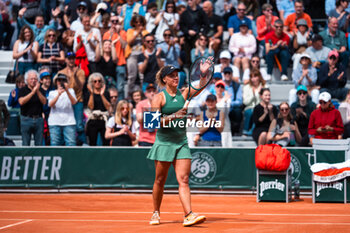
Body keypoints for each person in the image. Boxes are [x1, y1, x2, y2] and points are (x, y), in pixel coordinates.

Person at [147, 62, 211, 226]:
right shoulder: (158, 98)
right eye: (172, 75)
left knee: (183, 179)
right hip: (164, 144)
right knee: (160, 181)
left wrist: (203, 73)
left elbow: (202, 86)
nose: (176, 77)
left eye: (177, 75)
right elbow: (151, 124)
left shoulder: (184, 94)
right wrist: (175, 115)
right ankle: (156, 212)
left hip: (181, 143)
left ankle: (188, 214)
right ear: (164, 79)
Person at [58, 51, 87, 145]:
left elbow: (81, 86)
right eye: (69, 58)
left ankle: (83, 144)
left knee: (79, 125)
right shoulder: (61, 72)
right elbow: (57, 85)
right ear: (66, 59)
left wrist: (75, 76)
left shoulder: (80, 71)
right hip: (65, 102)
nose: (71, 60)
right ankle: (63, 144)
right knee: (64, 123)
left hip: (78, 101)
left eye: (73, 58)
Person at [18, 70, 47, 146]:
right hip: (26, 119)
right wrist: (32, 92)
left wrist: (37, 91)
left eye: (35, 79)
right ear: (26, 80)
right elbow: (21, 102)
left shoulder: (41, 90)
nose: (33, 80)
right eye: (31, 79)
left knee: (39, 144)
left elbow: (44, 102)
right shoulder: (22, 90)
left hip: (38, 119)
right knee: (25, 143)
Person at [47, 73, 77, 146]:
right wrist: (58, 94)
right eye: (59, 80)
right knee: (55, 144)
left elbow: (74, 102)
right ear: (56, 82)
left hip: (69, 122)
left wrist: (67, 91)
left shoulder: (71, 91)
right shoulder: (52, 92)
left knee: (71, 143)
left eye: (63, 80)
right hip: (54, 122)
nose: (61, 82)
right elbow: (50, 104)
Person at [103, 14, 127, 100]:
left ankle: (120, 107)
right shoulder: (106, 34)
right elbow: (104, 47)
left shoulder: (123, 33)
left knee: (120, 88)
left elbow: (124, 45)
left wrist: (118, 33)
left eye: (116, 21)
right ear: (110, 22)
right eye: (113, 21)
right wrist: (111, 34)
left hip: (120, 63)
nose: (114, 23)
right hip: (109, 64)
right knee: (109, 88)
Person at [179, 0, 208, 66]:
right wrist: (188, 31)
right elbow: (182, 26)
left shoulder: (201, 12)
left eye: (191, 0)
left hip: (198, 37)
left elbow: (206, 24)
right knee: (188, 57)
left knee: (198, 56)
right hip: (188, 38)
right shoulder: (185, 13)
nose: (189, 2)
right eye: (188, 0)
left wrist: (201, 33)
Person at [125, 15, 148, 97]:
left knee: (142, 76)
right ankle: (129, 95)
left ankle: (143, 95)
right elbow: (129, 42)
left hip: (142, 55)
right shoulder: (130, 31)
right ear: (133, 23)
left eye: (140, 22)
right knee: (132, 76)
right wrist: (137, 32)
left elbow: (146, 43)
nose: (138, 24)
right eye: (136, 22)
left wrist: (141, 33)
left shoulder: (145, 32)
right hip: (132, 55)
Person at [85, 72, 111, 146]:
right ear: (92, 83)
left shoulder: (106, 93)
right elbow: (91, 107)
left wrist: (102, 95)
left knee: (106, 142)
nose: (97, 83)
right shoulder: (88, 94)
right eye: (95, 81)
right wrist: (92, 93)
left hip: (103, 119)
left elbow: (108, 107)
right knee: (92, 142)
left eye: (99, 81)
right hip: (93, 119)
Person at [243, 69, 268, 136]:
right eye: (251, 77)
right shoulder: (247, 87)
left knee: (257, 111)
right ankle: (245, 130)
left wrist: (260, 95)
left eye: (255, 76)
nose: (253, 79)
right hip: (249, 107)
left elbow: (266, 100)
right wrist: (253, 96)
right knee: (250, 111)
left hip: (261, 107)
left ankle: (253, 130)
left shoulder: (264, 86)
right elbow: (245, 102)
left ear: (259, 77)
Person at [214, 80, 233, 146]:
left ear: (224, 89)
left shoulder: (227, 99)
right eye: (218, 86)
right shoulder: (211, 98)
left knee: (226, 144)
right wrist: (223, 102)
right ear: (215, 88)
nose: (219, 88)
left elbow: (225, 112)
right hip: (214, 124)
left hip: (225, 124)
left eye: (222, 87)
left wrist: (225, 101)